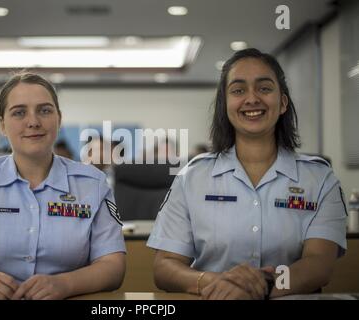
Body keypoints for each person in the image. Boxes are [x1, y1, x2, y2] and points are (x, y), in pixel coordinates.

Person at [147, 48, 347, 300]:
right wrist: (218, 283)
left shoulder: (319, 179)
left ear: (283, 102)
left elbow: (319, 264)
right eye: (238, 90)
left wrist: (264, 284)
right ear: (225, 104)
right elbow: (164, 266)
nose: (252, 99)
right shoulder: (192, 178)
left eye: (264, 88)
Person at [0, 72, 126, 300]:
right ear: (2, 125)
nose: (33, 121)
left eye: (45, 110)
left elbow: (113, 267)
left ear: (59, 119)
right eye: (19, 112)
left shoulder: (93, 184)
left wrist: (65, 284)